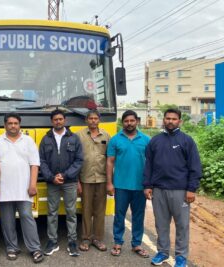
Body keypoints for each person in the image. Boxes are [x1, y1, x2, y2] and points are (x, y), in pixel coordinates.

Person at [143, 108, 202, 267]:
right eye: (167, 118)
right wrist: (147, 185)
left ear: (179, 121)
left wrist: (191, 189)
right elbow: (148, 165)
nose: (170, 121)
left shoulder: (186, 140)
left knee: (182, 225)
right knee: (161, 224)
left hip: (180, 191)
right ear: (164, 120)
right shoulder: (155, 141)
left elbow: (195, 167)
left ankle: (181, 256)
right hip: (159, 190)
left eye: (174, 119)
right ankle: (162, 252)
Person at [0, 113, 44, 263]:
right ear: (5, 125)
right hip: (4, 188)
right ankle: (12, 248)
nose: (13, 126)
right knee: (7, 220)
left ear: (20, 124)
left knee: (27, 217)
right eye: (10, 123)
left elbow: (34, 164)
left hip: (24, 188)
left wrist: (33, 185)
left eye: (16, 123)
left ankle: (35, 248)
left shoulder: (28, 141)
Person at [39, 109, 83, 257]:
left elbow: (79, 160)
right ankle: (52, 241)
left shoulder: (74, 138)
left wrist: (64, 175)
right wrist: (51, 177)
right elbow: (42, 161)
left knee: (71, 212)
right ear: (52, 121)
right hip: (52, 182)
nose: (58, 121)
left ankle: (72, 242)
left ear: (64, 120)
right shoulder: (46, 139)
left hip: (69, 181)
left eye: (60, 119)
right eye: (55, 119)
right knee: (52, 212)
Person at [106, 110, 150, 258]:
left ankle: (136, 244)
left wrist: (149, 184)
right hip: (121, 185)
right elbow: (110, 162)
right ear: (122, 122)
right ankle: (118, 242)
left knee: (138, 216)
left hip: (140, 186)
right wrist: (109, 183)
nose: (129, 123)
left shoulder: (146, 140)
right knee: (119, 215)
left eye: (132, 121)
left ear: (137, 121)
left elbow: (151, 163)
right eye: (126, 121)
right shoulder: (115, 139)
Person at [75, 110, 110, 252]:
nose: (93, 121)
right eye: (91, 118)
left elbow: (110, 159)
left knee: (100, 211)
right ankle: (86, 238)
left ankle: (98, 239)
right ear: (86, 120)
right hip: (85, 178)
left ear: (99, 120)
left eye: (96, 118)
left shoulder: (106, 135)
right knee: (86, 209)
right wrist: (77, 181)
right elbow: (75, 160)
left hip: (102, 178)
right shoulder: (79, 136)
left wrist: (110, 181)